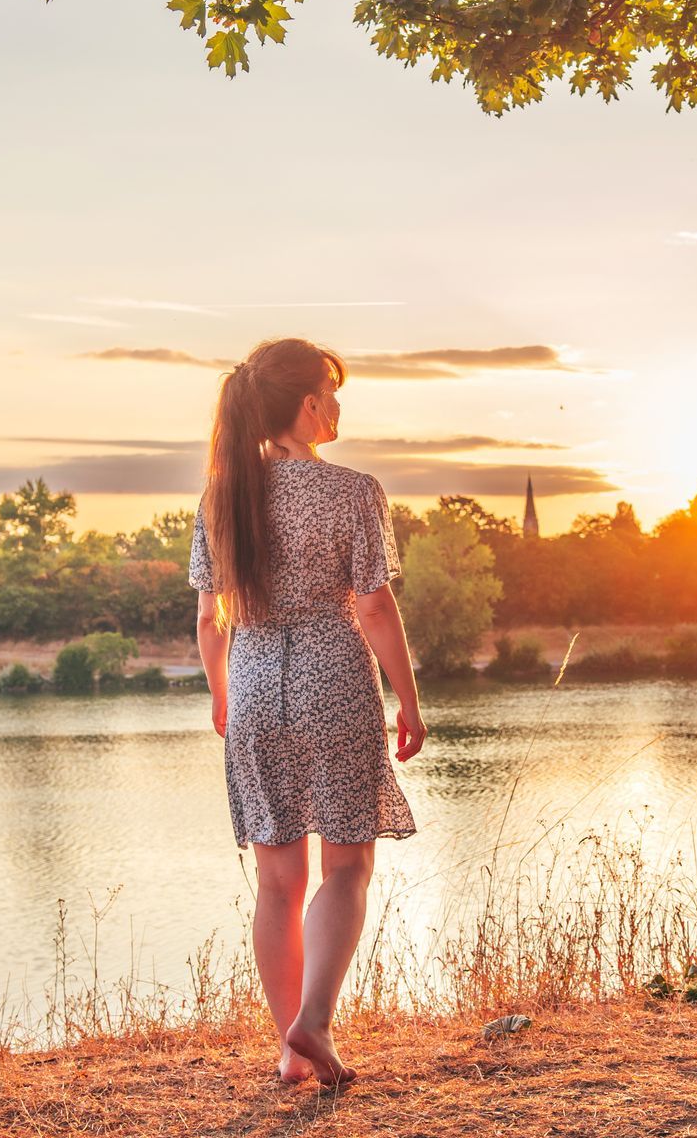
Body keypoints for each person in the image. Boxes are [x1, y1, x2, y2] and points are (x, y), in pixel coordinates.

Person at [188, 337, 426, 1089]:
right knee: (348, 864)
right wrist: (409, 699)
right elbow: (374, 605)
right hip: (334, 675)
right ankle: (315, 1021)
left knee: (277, 880)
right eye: (331, 387)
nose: (338, 401)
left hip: (254, 681)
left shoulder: (221, 496)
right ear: (306, 402)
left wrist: (225, 695)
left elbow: (207, 620)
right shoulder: (353, 491)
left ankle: (289, 1055)